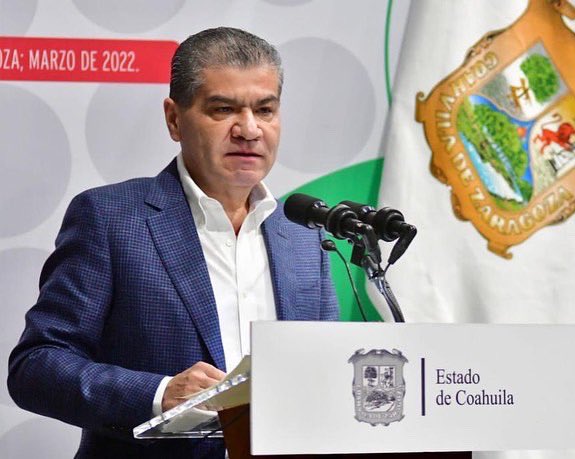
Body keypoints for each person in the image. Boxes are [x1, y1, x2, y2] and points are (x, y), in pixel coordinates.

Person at [7, 27, 339, 458]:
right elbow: (36, 367)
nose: (249, 129)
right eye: (223, 109)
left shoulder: (303, 234)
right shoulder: (111, 219)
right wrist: (159, 393)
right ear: (174, 119)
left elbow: (324, 372)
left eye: (265, 109)